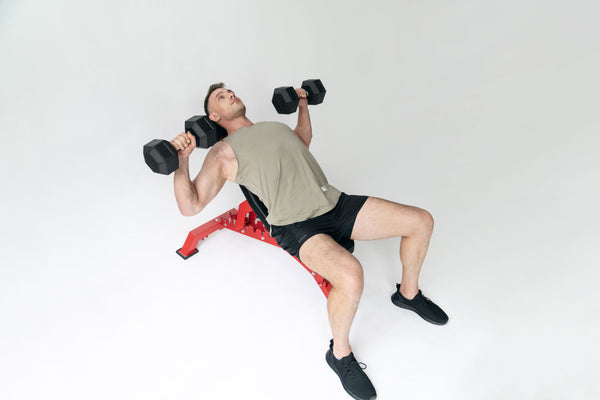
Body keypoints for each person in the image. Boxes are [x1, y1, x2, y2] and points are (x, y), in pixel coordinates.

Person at [170, 82, 448, 400]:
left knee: (421, 221)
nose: (230, 93)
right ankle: (340, 355)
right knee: (351, 276)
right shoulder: (222, 153)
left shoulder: (272, 127)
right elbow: (189, 205)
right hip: (296, 224)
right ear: (214, 116)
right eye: (221, 97)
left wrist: (303, 105)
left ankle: (408, 294)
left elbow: (303, 140)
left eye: (229, 90)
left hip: (334, 203)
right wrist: (181, 160)